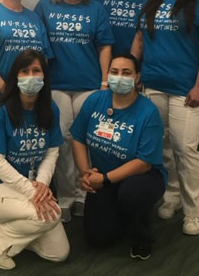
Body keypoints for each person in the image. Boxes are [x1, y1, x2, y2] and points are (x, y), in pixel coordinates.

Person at [130, 0, 199, 236]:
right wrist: (133, 71)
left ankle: (194, 212)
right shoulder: (153, 0)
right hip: (154, 87)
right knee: (164, 148)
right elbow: (140, 39)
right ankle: (172, 197)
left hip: (187, 90)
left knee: (186, 149)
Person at [0, 50, 69, 270]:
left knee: (58, 254)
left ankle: (12, 226)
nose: (31, 76)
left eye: (36, 71)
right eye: (25, 71)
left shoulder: (50, 108)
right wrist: (32, 191)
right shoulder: (0, 110)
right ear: (15, 76)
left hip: (30, 185)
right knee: (53, 216)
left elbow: (52, 152)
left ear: (45, 76)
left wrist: (42, 185)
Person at [34, 0, 114, 223]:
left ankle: (86, 193)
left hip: (89, 85)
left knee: (90, 140)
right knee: (64, 140)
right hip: (56, 85)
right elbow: (39, 49)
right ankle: (68, 198)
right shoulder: (45, 6)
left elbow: (104, 46)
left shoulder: (95, 8)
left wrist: (105, 82)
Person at [71, 54, 166, 260]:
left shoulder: (148, 112)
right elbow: (77, 137)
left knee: (132, 194)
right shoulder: (96, 100)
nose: (119, 77)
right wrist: (86, 173)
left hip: (141, 178)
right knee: (98, 239)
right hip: (103, 176)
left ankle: (142, 237)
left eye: (126, 72)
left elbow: (144, 163)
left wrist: (104, 179)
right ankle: (122, 213)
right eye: (114, 72)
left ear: (137, 77)